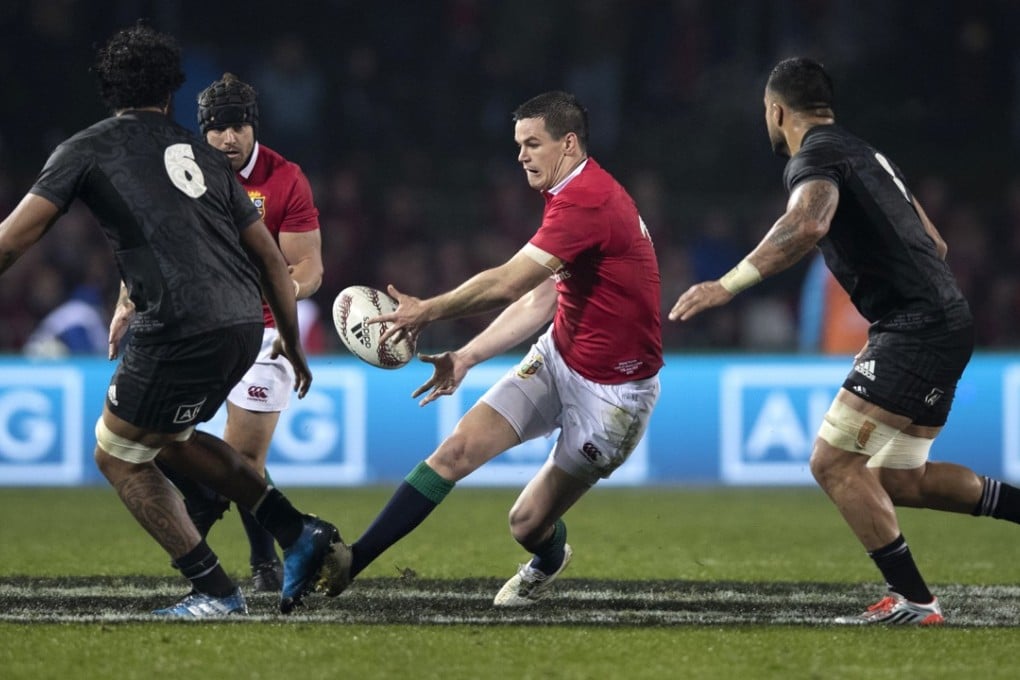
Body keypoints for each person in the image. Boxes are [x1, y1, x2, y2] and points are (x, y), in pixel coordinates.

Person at [0, 23, 348, 617]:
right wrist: (292, 342)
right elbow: (268, 256)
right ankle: (298, 532)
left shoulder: (85, 148)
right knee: (172, 439)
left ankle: (215, 592)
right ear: (172, 94)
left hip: (181, 325)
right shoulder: (201, 156)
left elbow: (11, 242)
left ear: (109, 91)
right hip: (244, 324)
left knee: (117, 452)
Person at [669, 57, 1020, 625]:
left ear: (776, 110)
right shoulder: (865, 153)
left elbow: (808, 224)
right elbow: (936, 243)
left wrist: (726, 285)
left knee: (832, 464)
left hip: (916, 327)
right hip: (942, 319)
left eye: (766, 112)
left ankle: (915, 600)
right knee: (904, 479)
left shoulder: (814, 157)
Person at [327, 91, 662, 605]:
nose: (521, 156)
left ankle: (548, 559)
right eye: (518, 144)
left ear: (568, 144)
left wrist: (428, 310)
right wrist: (466, 356)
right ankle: (354, 561)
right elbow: (539, 299)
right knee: (455, 451)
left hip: (615, 397)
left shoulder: (588, 201)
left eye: (532, 144)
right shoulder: (569, 192)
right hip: (559, 358)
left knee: (526, 523)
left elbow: (507, 283)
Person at [109, 73, 324, 594]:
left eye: (239, 126)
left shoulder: (284, 178)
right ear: (201, 130)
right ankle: (206, 500)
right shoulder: (180, 169)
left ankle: (263, 560)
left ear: (254, 127)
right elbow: (151, 244)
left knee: (245, 459)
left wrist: (268, 299)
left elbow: (309, 268)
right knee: (147, 435)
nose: (229, 138)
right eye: (219, 128)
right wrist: (124, 302)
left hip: (263, 332)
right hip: (192, 328)